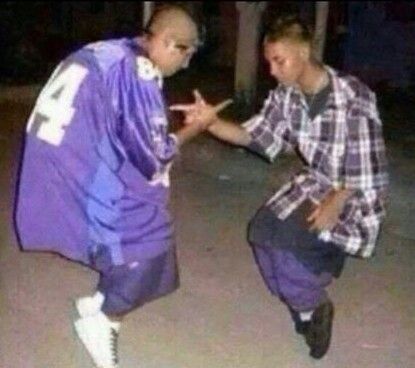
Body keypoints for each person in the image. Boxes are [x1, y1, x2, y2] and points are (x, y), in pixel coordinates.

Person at [171, 15, 388, 359]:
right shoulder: (287, 96)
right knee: (260, 231)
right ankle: (305, 296)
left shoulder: (352, 96)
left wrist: (336, 201)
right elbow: (254, 136)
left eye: (279, 60)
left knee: (285, 246)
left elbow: (369, 170)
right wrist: (210, 124)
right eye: (269, 61)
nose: (272, 70)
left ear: (304, 53)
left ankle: (314, 305)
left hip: (353, 193)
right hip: (318, 182)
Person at [14, 5, 218, 368]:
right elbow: (152, 157)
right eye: (186, 54)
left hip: (58, 162)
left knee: (154, 252)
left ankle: (99, 301)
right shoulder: (137, 71)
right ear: (171, 44)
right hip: (81, 172)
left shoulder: (107, 50)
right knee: (147, 248)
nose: (185, 66)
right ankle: (104, 322)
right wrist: (195, 128)